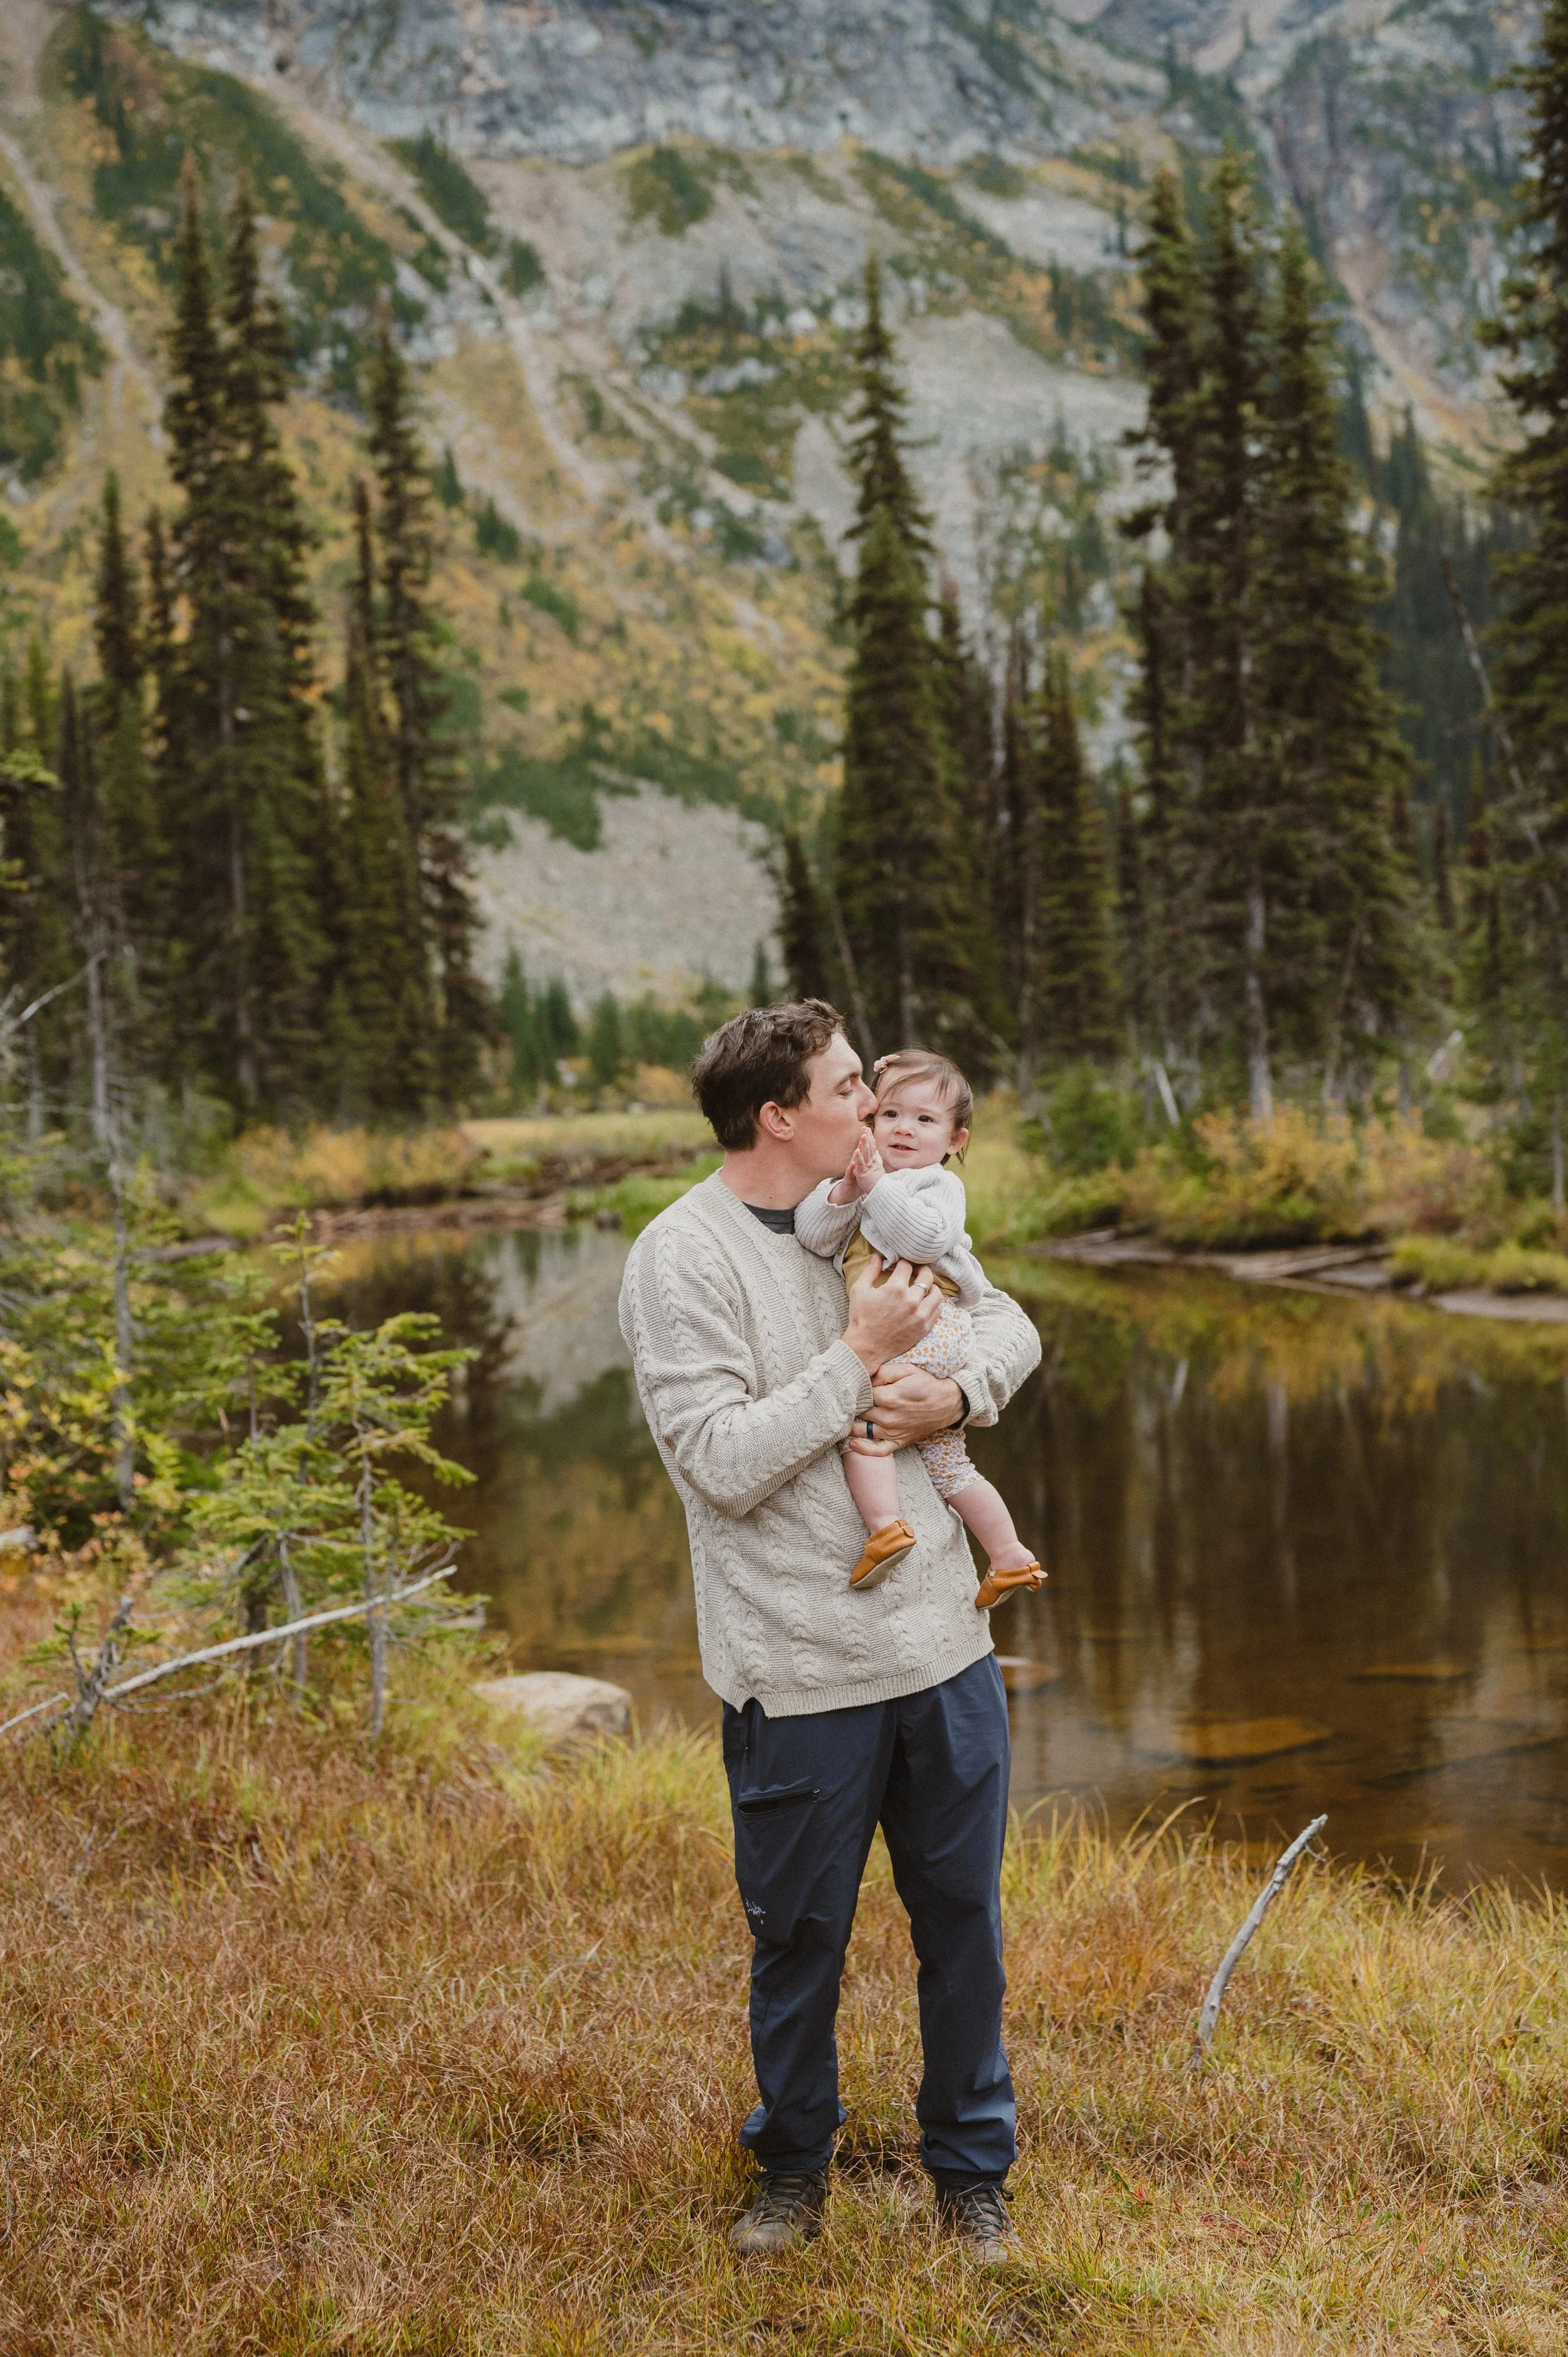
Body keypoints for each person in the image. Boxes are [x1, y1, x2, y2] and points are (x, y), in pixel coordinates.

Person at [618, 1000, 1042, 2264]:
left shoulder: (886, 1199)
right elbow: (717, 1464)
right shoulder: (680, 1257)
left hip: (945, 1653)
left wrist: (956, 1390)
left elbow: (1007, 1321)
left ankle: (971, 2174)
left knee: (960, 1922)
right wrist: (858, 1357)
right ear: (777, 1114)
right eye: (853, 1086)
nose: (877, 1104)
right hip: (796, 1669)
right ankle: (790, 2169)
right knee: (798, 1937)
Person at [794, 1049, 1045, 1609]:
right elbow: (813, 1234)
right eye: (890, 1116)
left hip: (934, 1326)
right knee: (949, 1463)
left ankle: (886, 1527)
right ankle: (1009, 1557)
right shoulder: (861, 1179)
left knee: (867, 1422)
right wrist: (846, 1192)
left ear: (955, 1140)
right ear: (871, 1121)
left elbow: (925, 1242)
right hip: (909, 1330)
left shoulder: (934, 1186)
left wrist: (878, 1188)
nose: (904, 1130)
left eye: (925, 1121)